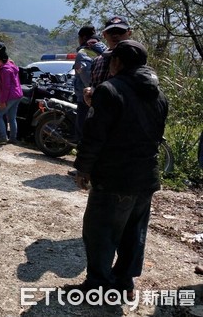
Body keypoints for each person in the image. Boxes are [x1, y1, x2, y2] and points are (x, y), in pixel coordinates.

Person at [68, 40, 168, 299]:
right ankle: (124, 282)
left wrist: (83, 169)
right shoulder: (158, 94)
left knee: (100, 232)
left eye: (112, 59)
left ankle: (97, 285)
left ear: (118, 62)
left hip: (114, 178)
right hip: (146, 177)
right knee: (134, 232)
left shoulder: (109, 90)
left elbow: (96, 135)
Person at [84, 16, 133, 105]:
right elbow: (93, 86)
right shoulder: (97, 61)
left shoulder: (135, 59)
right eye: (111, 32)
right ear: (104, 35)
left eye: (120, 31)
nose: (115, 35)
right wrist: (89, 96)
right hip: (100, 116)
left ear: (129, 33)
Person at [73, 25, 106, 141]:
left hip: (86, 96)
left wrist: (90, 91)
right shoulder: (105, 49)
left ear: (82, 37)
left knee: (82, 127)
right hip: (104, 94)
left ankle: (82, 151)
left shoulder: (83, 53)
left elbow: (85, 76)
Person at [0, 47, 23, 145]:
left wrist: (2, 101)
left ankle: (3, 137)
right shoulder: (12, 66)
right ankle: (13, 138)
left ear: (0, 60)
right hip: (18, 94)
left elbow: (6, 87)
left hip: (10, 95)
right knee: (12, 117)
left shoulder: (4, 70)